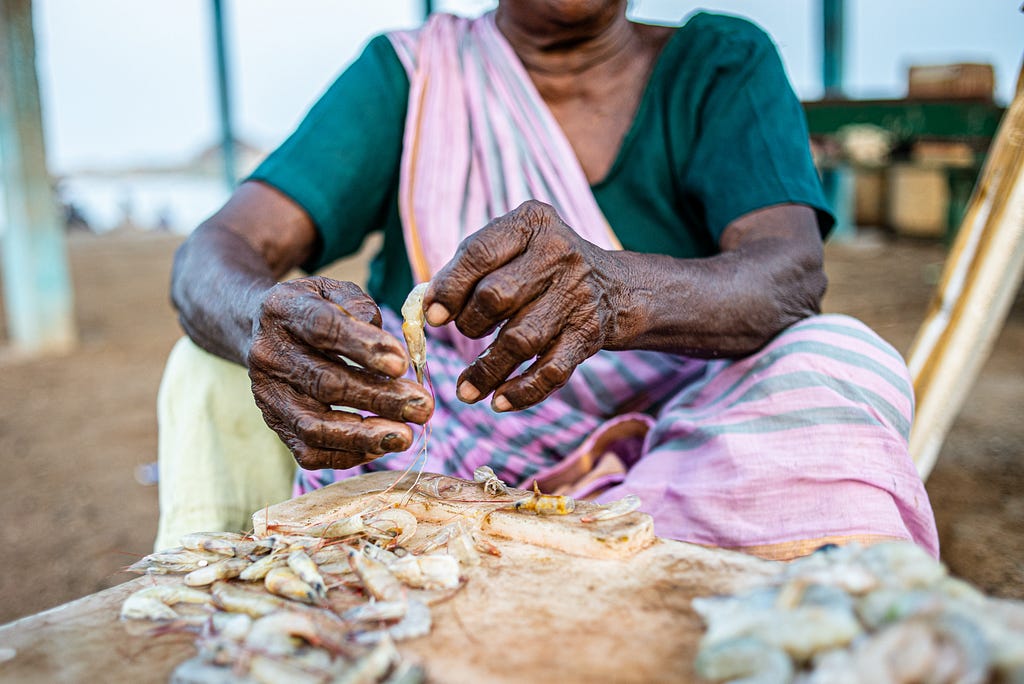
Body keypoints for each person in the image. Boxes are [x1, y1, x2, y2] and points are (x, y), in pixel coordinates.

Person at [157, 1, 939, 560]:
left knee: (835, 356)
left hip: (679, 454)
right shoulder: (414, 76)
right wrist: (264, 316)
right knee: (209, 360)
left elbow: (790, 276)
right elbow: (216, 249)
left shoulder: (721, 63)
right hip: (428, 458)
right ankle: (215, 617)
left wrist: (613, 292)